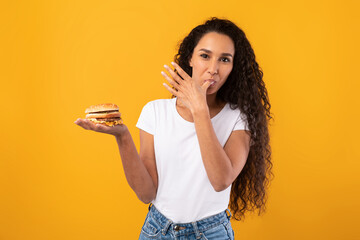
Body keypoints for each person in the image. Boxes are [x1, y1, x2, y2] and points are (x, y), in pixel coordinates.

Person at [74, 17, 273, 240]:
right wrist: (122, 137)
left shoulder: (238, 118)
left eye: (224, 59)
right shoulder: (155, 112)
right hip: (157, 230)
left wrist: (200, 110)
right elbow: (146, 193)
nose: (213, 69)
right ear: (190, 58)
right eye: (205, 56)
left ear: (233, 67)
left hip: (211, 233)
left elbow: (220, 180)